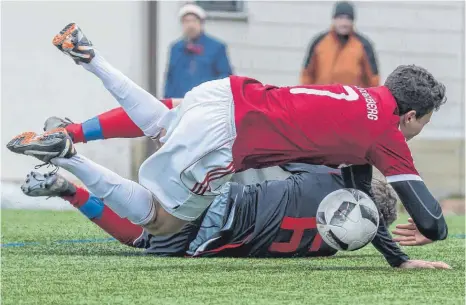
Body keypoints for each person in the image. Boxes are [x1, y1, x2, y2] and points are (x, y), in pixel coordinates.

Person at [8, 23, 448, 244]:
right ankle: (69, 155)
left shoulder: (359, 95)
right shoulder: (385, 135)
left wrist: (397, 256)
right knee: (163, 223)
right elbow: (431, 219)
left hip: (230, 94)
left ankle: (91, 60)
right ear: (409, 115)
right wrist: (430, 233)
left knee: (163, 120)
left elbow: (356, 184)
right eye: (423, 124)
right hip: (230, 140)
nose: (417, 133)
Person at [19, 163, 450, 269]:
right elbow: (369, 225)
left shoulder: (330, 181)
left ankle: (71, 175)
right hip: (217, 234)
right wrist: (399, 258)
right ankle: (72, 175)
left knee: (145, 226)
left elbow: (289, 159)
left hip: (222, 199)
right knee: (143, 232)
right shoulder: (334, 246)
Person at [300, 1, 379, 87]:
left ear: (353, 21)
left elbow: (373, 78)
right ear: (334, 19)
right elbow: (307, 74)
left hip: (352, 99)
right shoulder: (319, 42)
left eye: (348, 19)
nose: (344, 23)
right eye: (340, 18)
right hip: (323, 98)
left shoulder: (364, 45)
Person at [164, 3, 233, 98]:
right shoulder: (176, 48)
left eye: (194, 21)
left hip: (206, 101)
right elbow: (170, 79)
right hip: (180, 103)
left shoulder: (216, 47)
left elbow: (225, 78)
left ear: (201, 23)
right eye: (186, 21)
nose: (190, 25)